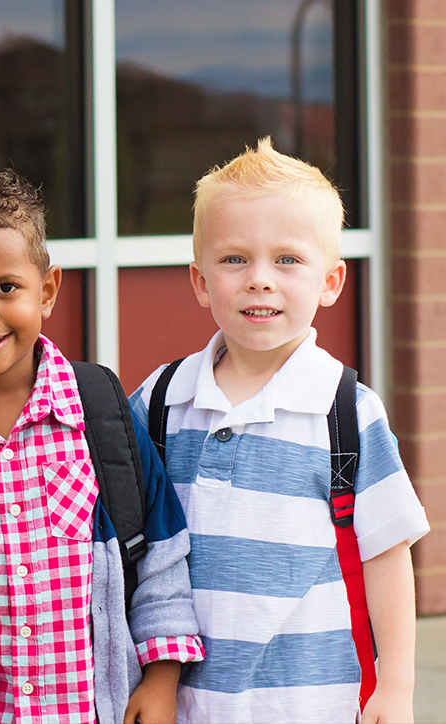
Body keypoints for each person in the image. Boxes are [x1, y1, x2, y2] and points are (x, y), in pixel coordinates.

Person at [129, 138, 431, 723]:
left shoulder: (346, 412)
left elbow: (387, 558)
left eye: (287, 260)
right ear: (199, 280)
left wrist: (395, 688)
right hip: (190, 703)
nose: (259, 280)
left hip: (314, 701)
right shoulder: (163, 401)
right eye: (234, 259)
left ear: (331, 282)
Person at [0, 166, 204, 724]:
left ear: (47, 289)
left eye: (5, 288)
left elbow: (162, 556)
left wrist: (161, 679)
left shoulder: (100, 414)